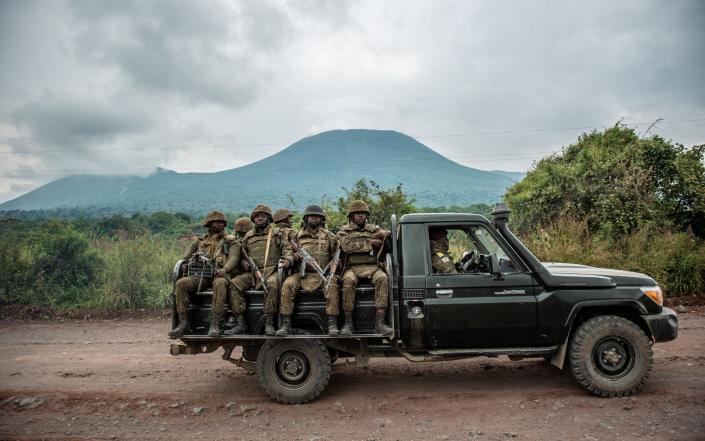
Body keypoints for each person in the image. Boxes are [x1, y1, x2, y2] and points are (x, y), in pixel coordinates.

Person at [168, 211, 240, 338]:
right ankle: (184, 323)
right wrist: (186, 265)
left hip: (220, 275)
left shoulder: (231, 241)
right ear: (209, 224)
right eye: (216, 222)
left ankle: (216, 323)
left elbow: (234, 259)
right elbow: (186, 257)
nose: (219, 224)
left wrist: (224, 270)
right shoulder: (200, 241)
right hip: (201, 276)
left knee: (220, 283)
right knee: (181, 283)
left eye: (221, 222)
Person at [228, 205, 293, 335]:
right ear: (253, 219)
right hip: (253, 273)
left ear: (269, 218)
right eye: (257, 216)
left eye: (263, 216)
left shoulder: (277, 234)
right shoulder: (248, 236)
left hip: (272, 271)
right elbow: (241, 255)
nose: (260, 218)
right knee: (234, 284)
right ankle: (240, 323)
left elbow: (287, 250)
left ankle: (269, 323)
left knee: (272, 285)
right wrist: (244, 263)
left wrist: (287, 260)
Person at [277, 205, 341, 336]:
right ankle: (285, 324)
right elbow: (288, 253)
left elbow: (337, 255)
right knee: (287, 284)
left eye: (317, 216)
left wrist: (334, 264)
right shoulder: (295, 236)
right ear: (306, 218)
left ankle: (332, 323)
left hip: (323, 274)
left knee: (332, 283)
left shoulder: (329, 237)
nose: (314, 218)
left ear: (321, 219)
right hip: (302, 275)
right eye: (311, 216)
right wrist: (292, 258)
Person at [337, 200, 393, 336]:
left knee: (383, 278)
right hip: (353, 267)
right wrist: (371, 243)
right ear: (351, 215)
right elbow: (347, 247)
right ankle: (348, 323)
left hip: (373, 266)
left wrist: (387, 234)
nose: (361, 216)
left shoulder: (374, 229)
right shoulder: (344, 231)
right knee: (348, 281)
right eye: (357, 214)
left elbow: (388, 246)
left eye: (363, 213)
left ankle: (380, 323)